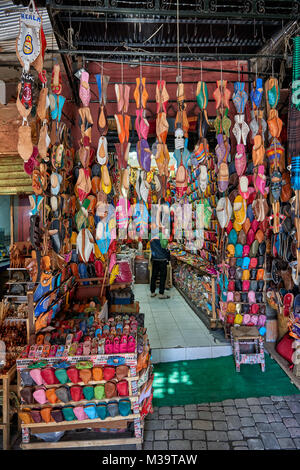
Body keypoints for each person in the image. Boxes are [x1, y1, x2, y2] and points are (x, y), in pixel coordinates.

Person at [150, 199, 171, 299]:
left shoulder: (152, 234)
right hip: (162, 258)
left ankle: (152, 292)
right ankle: (161, 293)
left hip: (155, 258)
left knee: (154, 275)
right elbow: (164, 245)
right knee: (162, 276)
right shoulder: (163, 234)